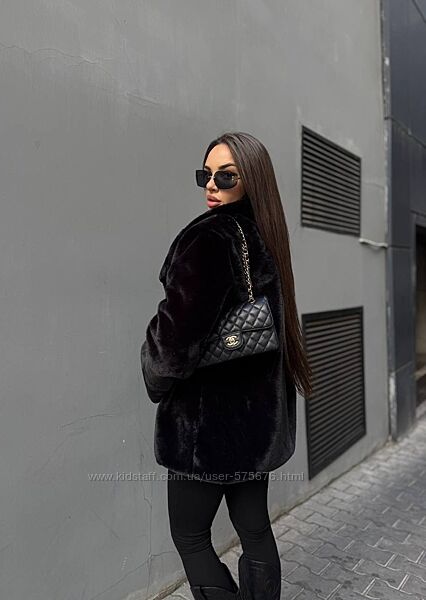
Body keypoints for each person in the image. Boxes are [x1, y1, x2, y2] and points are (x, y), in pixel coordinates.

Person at [140, 132, 312, 600]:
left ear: (252, 180)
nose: (212, 185)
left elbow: (174, 342)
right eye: (206, 175)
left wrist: (152, 371)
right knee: (253, 528)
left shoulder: (210, 238)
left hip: (205, 433)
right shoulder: (264, 235)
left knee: (190, 536)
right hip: (255, 428)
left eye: (226, 176)